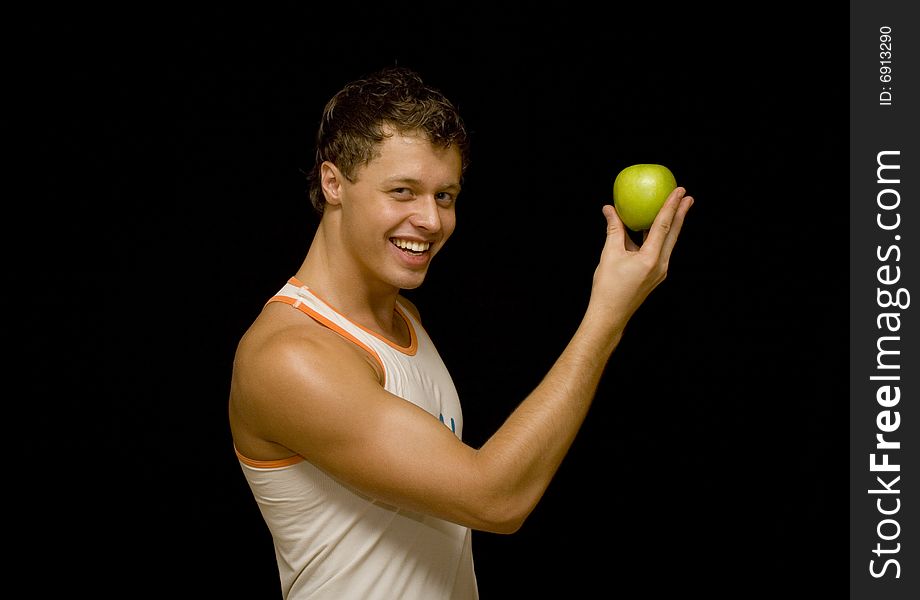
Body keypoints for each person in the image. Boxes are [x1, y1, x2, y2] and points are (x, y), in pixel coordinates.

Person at [228, 65, 694, 599]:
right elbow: (493, 499)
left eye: (445, 196)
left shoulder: (403, 319)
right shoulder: (292, 356)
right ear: (333, 183)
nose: (430, 220)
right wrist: (607, 316)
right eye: (403, 191)